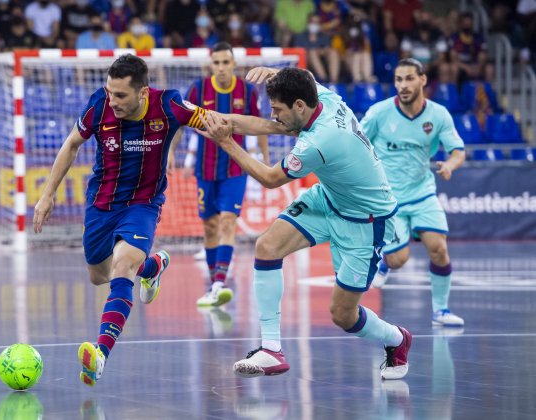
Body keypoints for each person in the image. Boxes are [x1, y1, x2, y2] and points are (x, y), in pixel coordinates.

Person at [198, 67, 412, 380]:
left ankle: (397, 338)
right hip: (330, 199)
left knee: (343, 315)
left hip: (365, 223)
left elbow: (271, 178)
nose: (274, 115)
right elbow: (299, 87)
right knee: (267, 246)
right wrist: (213, 117)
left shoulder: (320, 142)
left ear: (299, 106)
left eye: (278, 109)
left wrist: (228, 143)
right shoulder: (321, 96)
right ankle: (271, 349)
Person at [33, 54, 209, 386]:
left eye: (120, 95)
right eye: (110, 92)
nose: (112, 100)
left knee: (122, 267)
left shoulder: (168, 104)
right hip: (102, 203)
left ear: (142, 92)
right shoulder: (99, 105)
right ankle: (152, 267)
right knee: (99, 275)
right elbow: (71, 144)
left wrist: (277, 126)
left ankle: (100, 355)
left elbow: (217, 120)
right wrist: (47, 193)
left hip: (143, 202)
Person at [361, 58, 466, 328]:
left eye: (409, 79)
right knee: (399, 260)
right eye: (398, 79)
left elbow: (458, 151)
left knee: (439, 249)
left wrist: (450, 165)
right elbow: (357, 144)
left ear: (422, 80)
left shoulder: (439, 114)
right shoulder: (379, 113)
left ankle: (441, 311)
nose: (403, 85)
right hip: (388, 198)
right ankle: (385, 263)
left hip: (423, 193)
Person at [168, 42, 269, 307]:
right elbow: (179, 122)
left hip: (236, 168)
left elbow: (259, 126)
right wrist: (170, 151)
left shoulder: (246, 91)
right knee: (210, 226)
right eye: (218, 63)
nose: (222, 67)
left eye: (227, 62)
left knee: (227, 222)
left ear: (234, 64)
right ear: (211, 65)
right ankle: (214, 283)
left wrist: (266, 159)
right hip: (205, 169)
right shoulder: (198, 89)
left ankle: (220, 282)